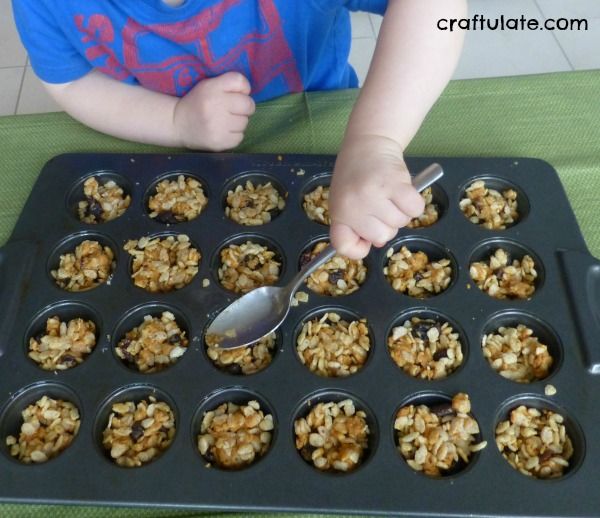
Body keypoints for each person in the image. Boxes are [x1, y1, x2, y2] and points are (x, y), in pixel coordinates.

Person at [12, 0, 466, 259]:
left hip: (327, 129)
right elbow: (69, 80)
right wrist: (174, 121)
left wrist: (376, 139)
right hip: (158, 135)